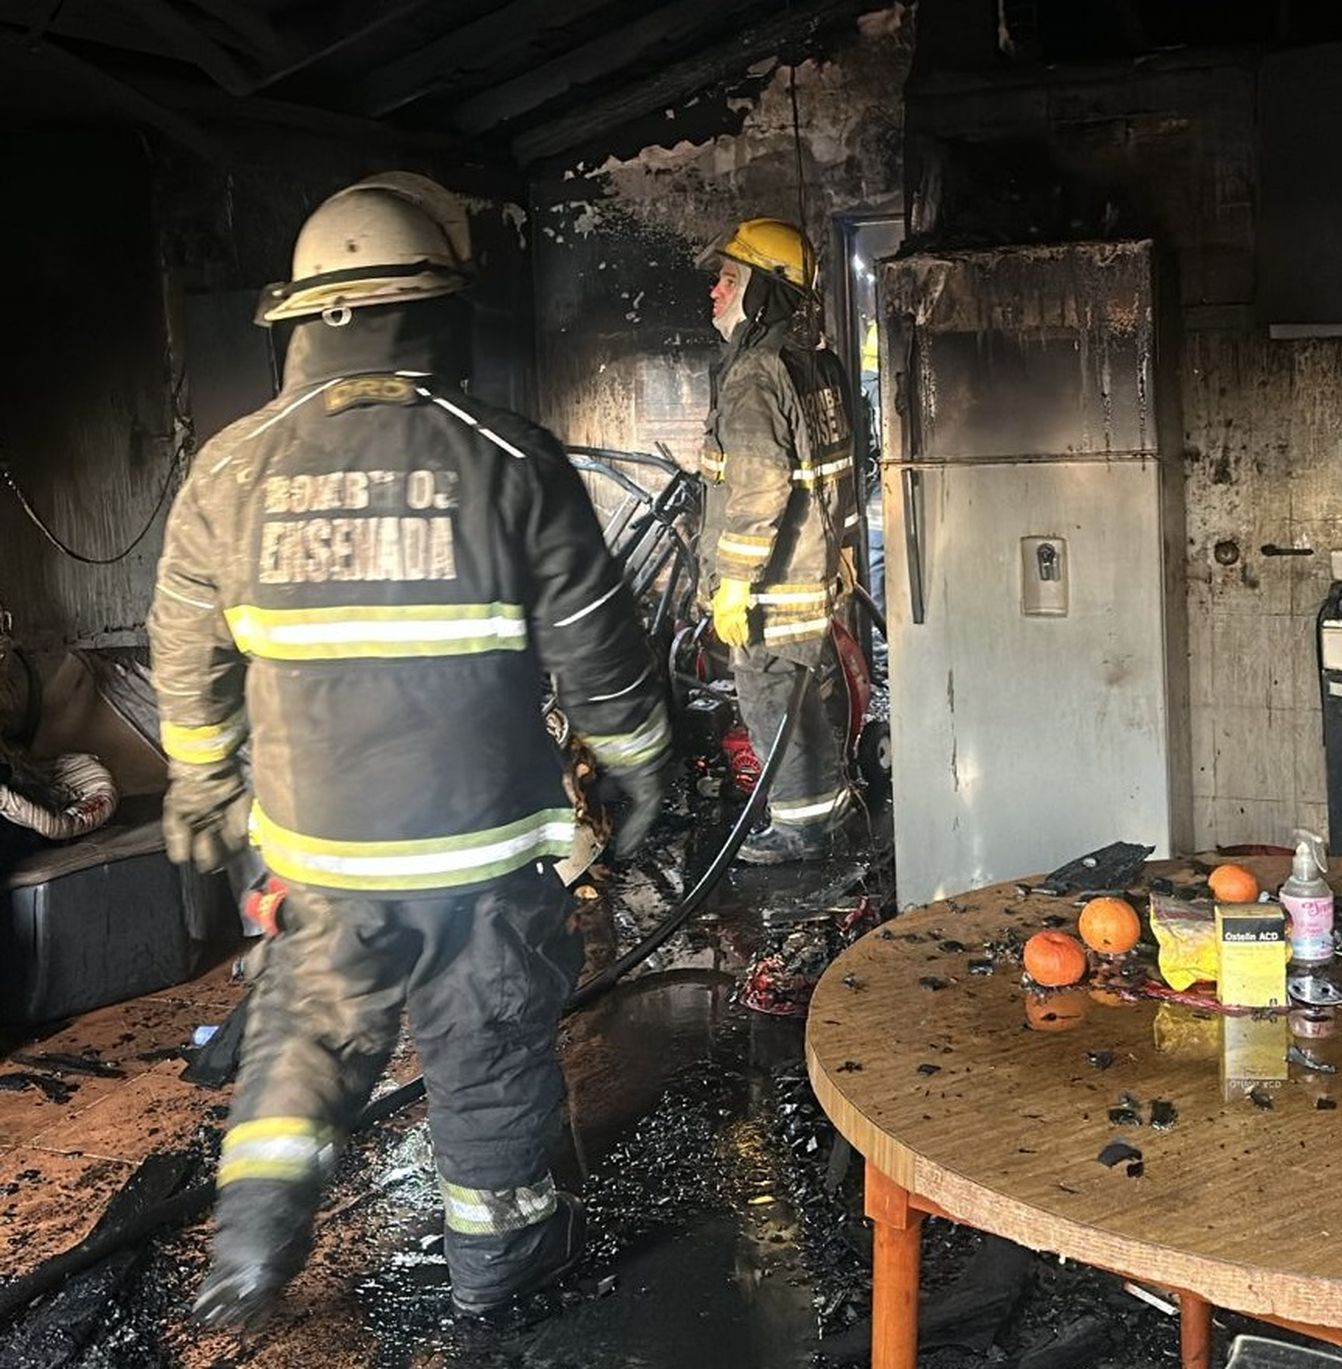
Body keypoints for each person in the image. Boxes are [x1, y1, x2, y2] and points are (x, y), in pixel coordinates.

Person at [149, 172, 670, 1329]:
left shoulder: (231, 469)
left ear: (301, 322)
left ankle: (247, 1254)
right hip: (481, 860)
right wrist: (637, 765)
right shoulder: (511, 456)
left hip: (322, 858)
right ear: (437, 309)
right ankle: (499, 1269)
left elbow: (184, 650)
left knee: (299, 1049)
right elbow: (598, 647)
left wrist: (201, 777)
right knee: (485, 1059)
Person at [695, 218, 856, 864]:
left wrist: (735, 582)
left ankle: (797, 832)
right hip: (814, 577)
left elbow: (759, 484)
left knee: (770, 703)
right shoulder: (817, 366)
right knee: (810, 700)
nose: (714, 292)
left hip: (771, 588)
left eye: (728, 278)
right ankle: (831, 810)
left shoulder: (756, 375)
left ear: (763, 291)